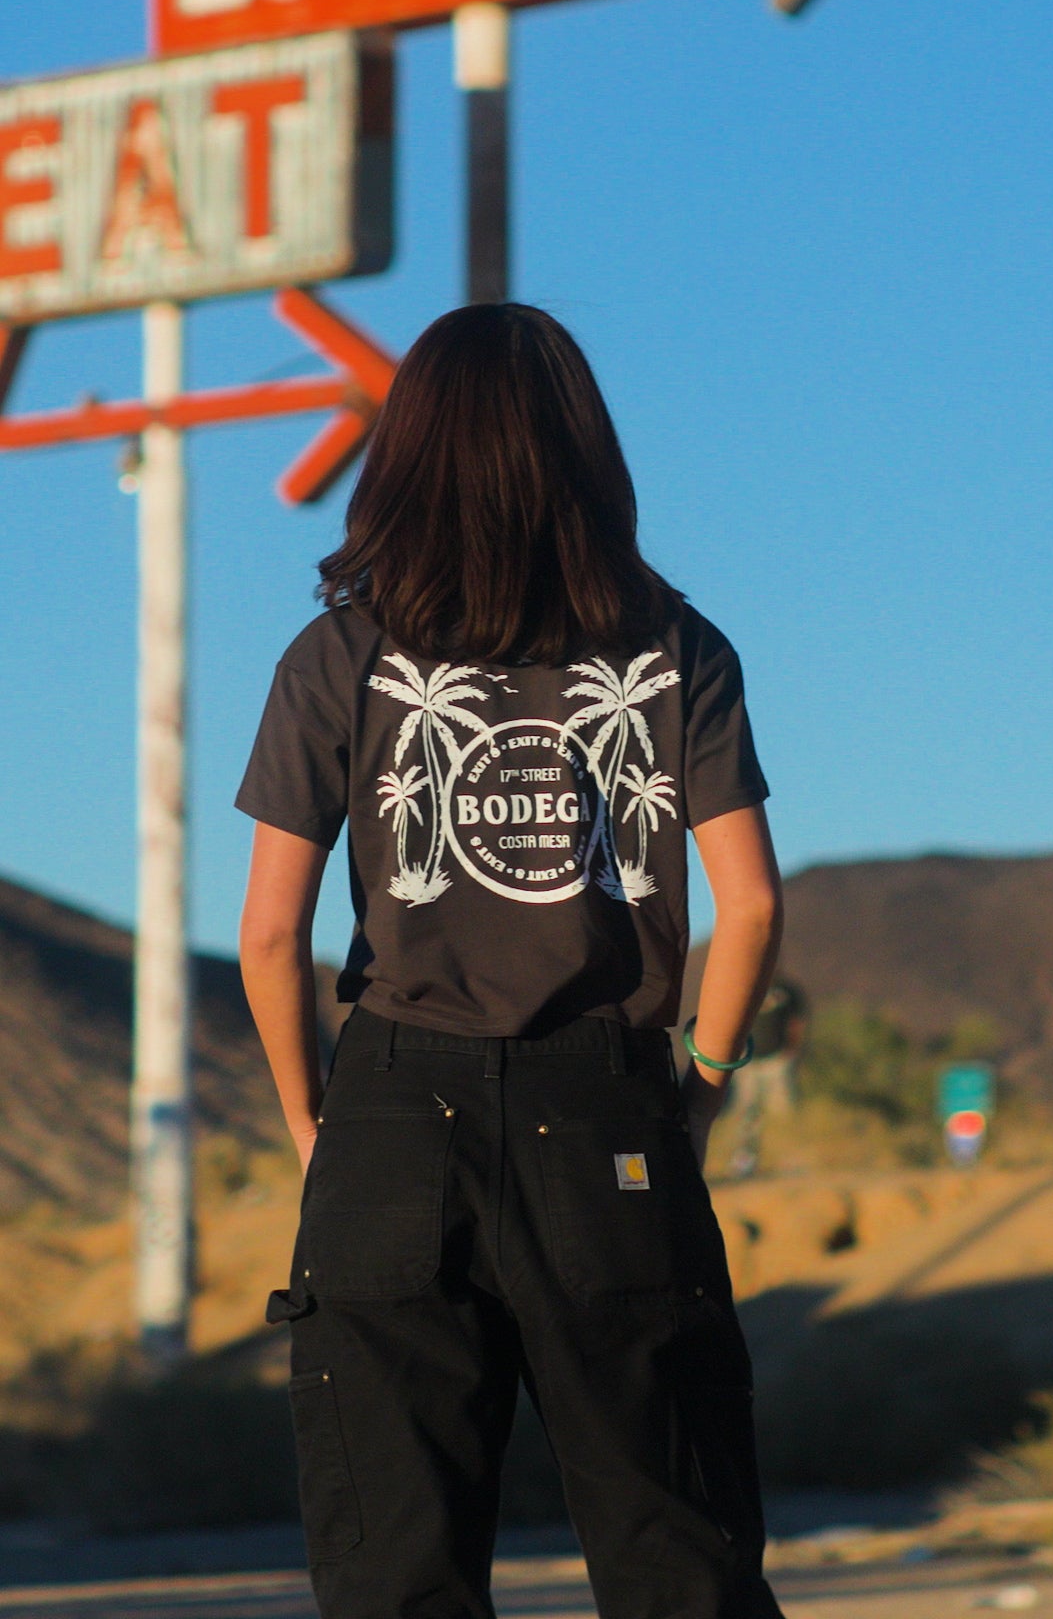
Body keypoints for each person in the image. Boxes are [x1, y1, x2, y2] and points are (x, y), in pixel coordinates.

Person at [236, 303, 785, 1619]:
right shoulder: (676, 650)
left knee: (393, 1578)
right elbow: (751, 904)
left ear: (405, 456)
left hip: (387, 1116)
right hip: (605, 1110)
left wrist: (317, 1125)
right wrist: (698, 1080)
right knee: (679, 1558)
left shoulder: (340, 656)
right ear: (585, 453)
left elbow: (269, 935)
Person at [726, 975, 808, 1179]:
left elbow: (797, 1022)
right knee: (747, 1114)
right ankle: (745, 1163)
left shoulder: (787, 990)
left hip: (778, 1061)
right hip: (747, 1062)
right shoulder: (743, 983)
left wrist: (792, 1053)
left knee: (783, 1112)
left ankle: (789, 1162)